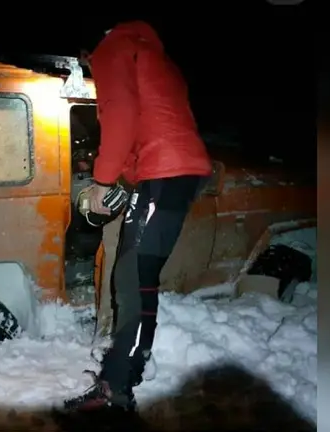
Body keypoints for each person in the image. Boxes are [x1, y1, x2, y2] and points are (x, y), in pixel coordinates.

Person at [62, 20, 213, 412]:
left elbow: (122, 115)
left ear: (86, 51)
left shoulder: (113, 49)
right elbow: (151, 125)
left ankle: (114, 388)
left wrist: (101, 181)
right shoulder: (156, 57)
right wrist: (126, 179)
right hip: (181, 174)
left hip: (163, 173)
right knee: (143, 276)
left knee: (128, 278)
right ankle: (132, 368)